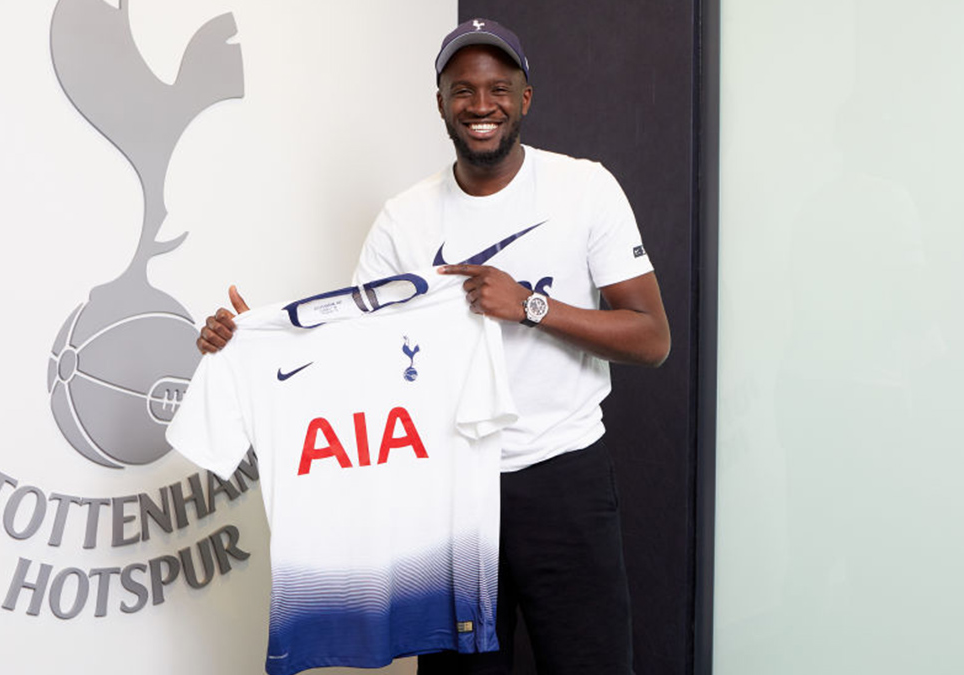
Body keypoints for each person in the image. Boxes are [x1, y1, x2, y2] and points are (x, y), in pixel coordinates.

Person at [197, 18, 670, 675]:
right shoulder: (405, 219)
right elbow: (357, 355)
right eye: (462, 90)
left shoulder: (584, 190)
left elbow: (651, 336)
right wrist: (257, 343)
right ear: (442, 103)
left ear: (525, 97)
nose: (481, 105)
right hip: (447, 488)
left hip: (564, 478)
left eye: (498, 88)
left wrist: (529, 305)